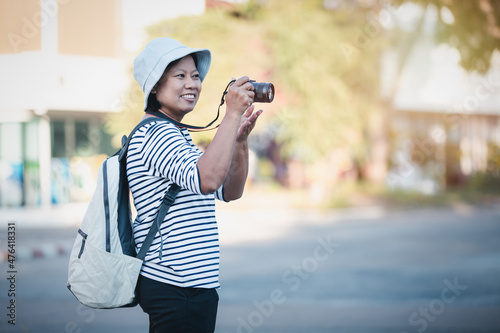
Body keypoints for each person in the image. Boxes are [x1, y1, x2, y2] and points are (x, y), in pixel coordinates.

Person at [128, 37, 262, 333]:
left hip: (190, 285)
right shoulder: (155, 134)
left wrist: (239, 141)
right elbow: (208, 179)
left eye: (196, 76)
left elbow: (229, 190)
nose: (192, 84)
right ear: (155, 86)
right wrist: (231, 114)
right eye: (180, 76)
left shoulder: (175, 135)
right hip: (176, 284)